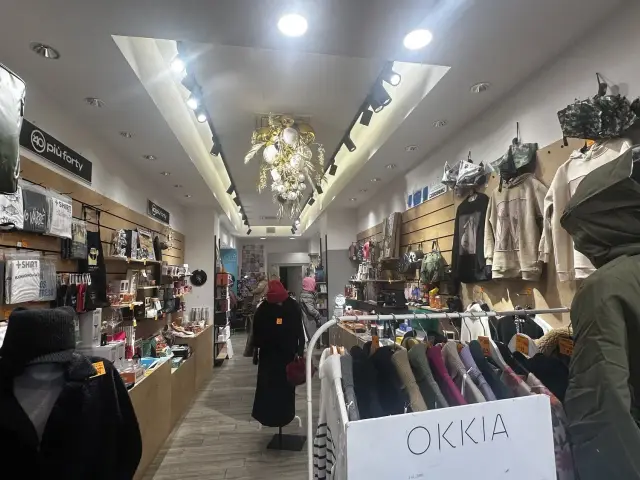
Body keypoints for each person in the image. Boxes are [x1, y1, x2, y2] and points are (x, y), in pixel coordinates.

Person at [251, 280, 305, 428]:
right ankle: (282, 415)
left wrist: (257, 350)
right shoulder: (292, 306)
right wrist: (299, 350)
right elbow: (299, 331)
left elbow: (256, 334)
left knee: (271, 387)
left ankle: (272, 416)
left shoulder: (264, 308)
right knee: (282, 387)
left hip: (271, 356)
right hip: (284, 355)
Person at [299, 276, 324, 341]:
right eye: (313, 283)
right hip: (309, 321)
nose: (314, 285)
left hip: (309, 320)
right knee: (312, 341)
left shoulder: (307, 294)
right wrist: (318, 315)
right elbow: (311, 310)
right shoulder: (307, 295)